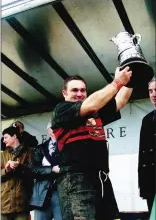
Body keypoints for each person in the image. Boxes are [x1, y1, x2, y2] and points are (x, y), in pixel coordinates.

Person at [51, 66, 133, 220]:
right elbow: (91, 105)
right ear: (64, 93)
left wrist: (131, 79)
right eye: (74, 90)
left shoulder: (95, 112)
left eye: (83, 90)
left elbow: (120, 101)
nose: (79, 94)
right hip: (76, 179)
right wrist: (117, 82)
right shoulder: (61, 109)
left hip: (101, 179)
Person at [29, 122, 62, 220]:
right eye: (53, 128)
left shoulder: (67, 147)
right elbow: (33, 169)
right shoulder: (40, 148)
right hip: (42, 194)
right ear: (49, 131)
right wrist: (52, 169)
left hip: (61, 192)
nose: (56, 130)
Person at [1, 126, 33, 220]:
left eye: (6, 137)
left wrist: (20, 167)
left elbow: (33, 173)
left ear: (14, 136)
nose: (3, 140)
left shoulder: (29, 152)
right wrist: (6, 170)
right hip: (4, 204)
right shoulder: (2, 155)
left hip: (22, 204)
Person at [138, 77, 156, 215]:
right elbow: (142, 154)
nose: (153, 94)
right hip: (151, 181)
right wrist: (142, 185)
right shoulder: (147, 120)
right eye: (150, 91)